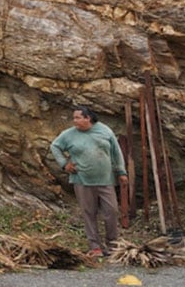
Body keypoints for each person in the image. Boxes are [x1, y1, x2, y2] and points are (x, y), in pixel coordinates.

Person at [50, 105, 128, 257]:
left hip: (105, 179)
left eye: (78, 118)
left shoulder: (104, 131)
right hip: (82, 180)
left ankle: (112, 245)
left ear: (88, 118)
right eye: (74, 118)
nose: (75, 121)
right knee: (89, 213)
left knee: (111, 211)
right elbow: (55, 146)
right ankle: (95, 247)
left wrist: (121, 172)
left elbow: (116, 152)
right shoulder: (69, 135)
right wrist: (64, 164)